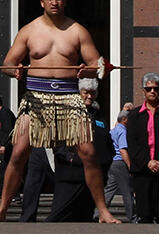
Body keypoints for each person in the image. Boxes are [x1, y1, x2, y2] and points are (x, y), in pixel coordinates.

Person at [0, 0, 119, 223]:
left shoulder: (77, 31)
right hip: (36, 97)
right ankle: (2, 209)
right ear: (42, 2)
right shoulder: (29, 30)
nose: (55, 3)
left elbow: (97, 65)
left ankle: (103, 211)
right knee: (18, 153)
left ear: (64, 1)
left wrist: (87, 70)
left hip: (70, 97)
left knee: (88, 153)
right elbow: (7, 63)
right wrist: (14, 71)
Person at [48, 78, 113, 222]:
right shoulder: (66, 113)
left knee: (84, 217)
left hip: (94, 177)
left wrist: (107, 160)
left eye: (92, 93)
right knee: (57, 217)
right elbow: (57, 142)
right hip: (71, 176)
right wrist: (70, 157)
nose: (89, 96)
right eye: (85, 93)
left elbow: (106, 141)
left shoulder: (98, 115)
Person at [126, 72, 159, 224]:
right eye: (148, 88)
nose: (152, 92)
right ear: (143, 90)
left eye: (156, 89)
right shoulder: (135, 115)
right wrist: (147, 162)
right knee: (145, 213)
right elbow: (132, 143)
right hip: (143, 170)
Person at [101, 110, 135, 222]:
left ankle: (98, 213)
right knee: (127, 191)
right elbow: (123, 150)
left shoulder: (113, 131)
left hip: (113, 163)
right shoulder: (123, 131)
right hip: (121, 163)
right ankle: (132, 216)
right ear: (125, 120)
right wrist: (130, 166)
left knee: (109, 189)